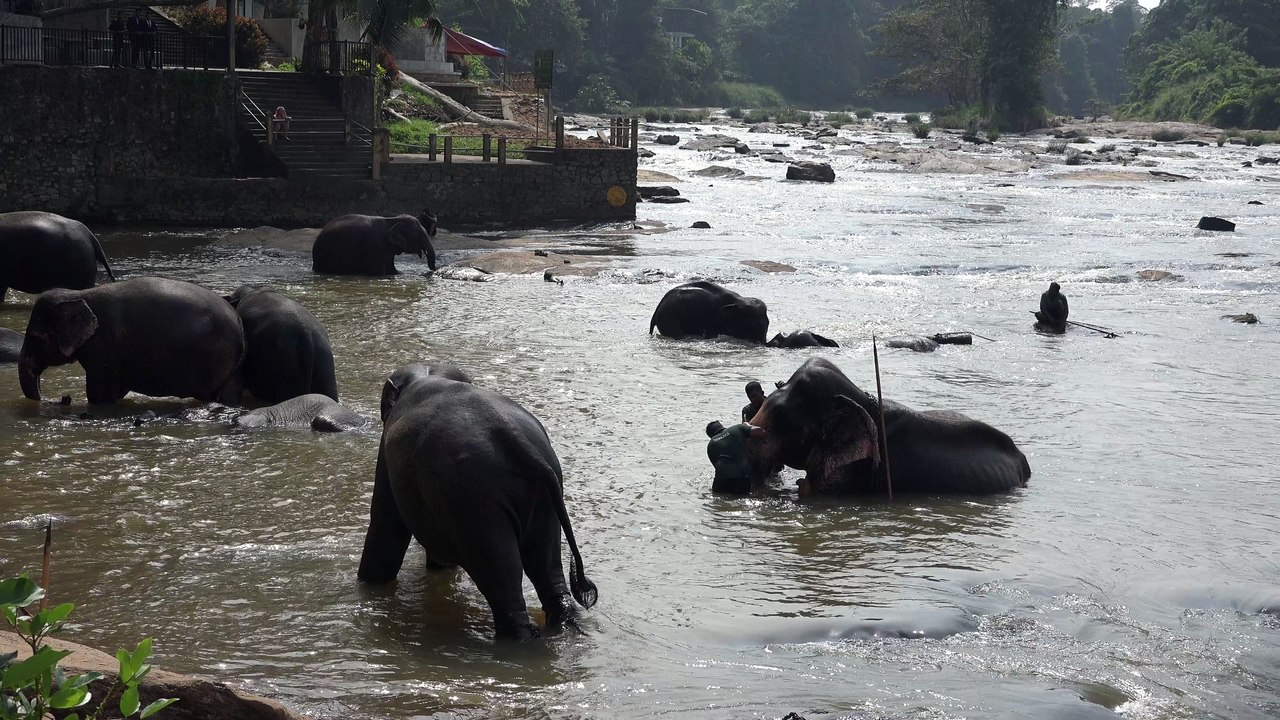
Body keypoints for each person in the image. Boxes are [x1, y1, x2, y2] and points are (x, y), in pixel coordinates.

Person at [706, 420, 764, 494]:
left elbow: (715, 465)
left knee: (719, 501)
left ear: (711, 436)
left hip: (720, 481)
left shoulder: (711, 444)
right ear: (722, 427)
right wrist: (748, 425)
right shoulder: (737, 428)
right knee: (741, 500)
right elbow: (761, 432)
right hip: (741, 478)